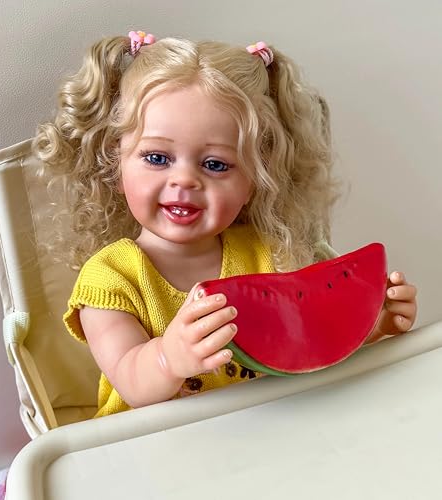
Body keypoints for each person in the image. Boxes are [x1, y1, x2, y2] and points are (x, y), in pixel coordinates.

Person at [34, 31, 417, 417]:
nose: (185, 180)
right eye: (157, 158)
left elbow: (313, 341)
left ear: (253, 181)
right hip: (152, 444)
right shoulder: (109, 279)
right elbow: (130, 378)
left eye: (215, 164)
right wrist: (167, 359)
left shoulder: (269, 253)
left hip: (271, 428)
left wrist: (372, 324)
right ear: (116, 167)